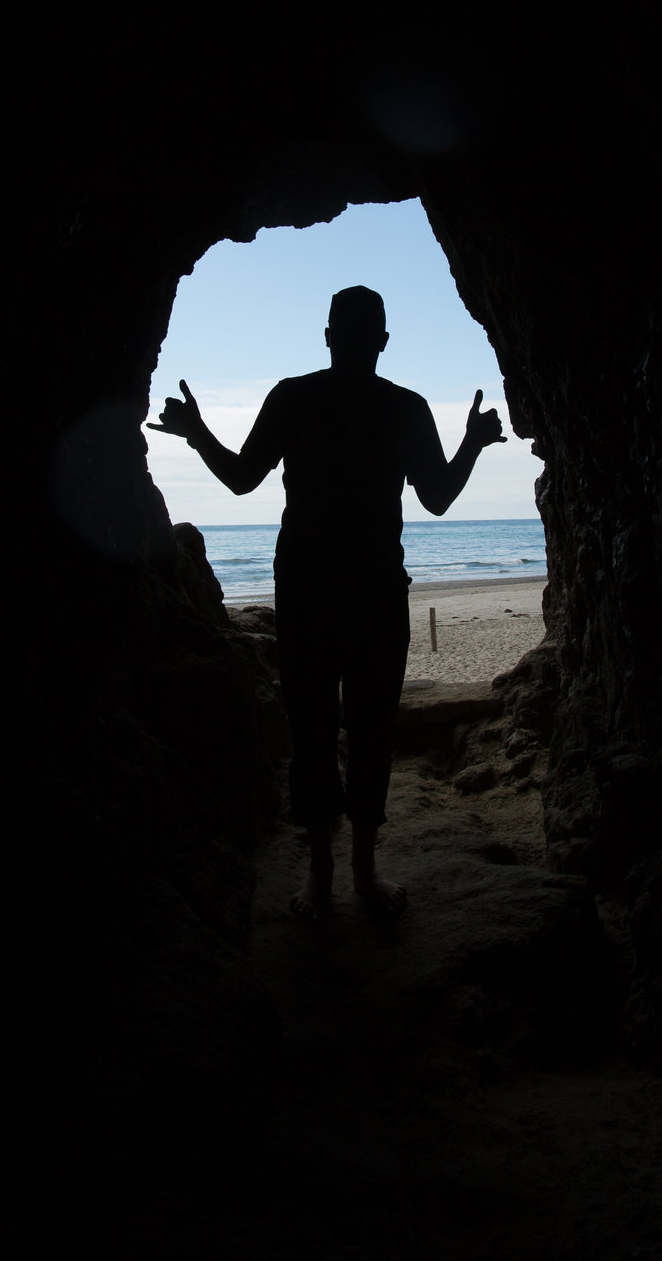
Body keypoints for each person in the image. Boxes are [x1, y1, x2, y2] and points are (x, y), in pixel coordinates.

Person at [148, 285, 506, 920]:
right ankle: (363, 871)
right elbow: (440, 500)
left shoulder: (295, 396)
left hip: (307, 589)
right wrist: (474, 441)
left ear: (328, 336)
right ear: (383, 341)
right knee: (371, 729)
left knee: (313, 729)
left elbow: (240, 479)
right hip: (374, 591)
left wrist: (196, 430)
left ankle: (321, 874)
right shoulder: (406, 406)